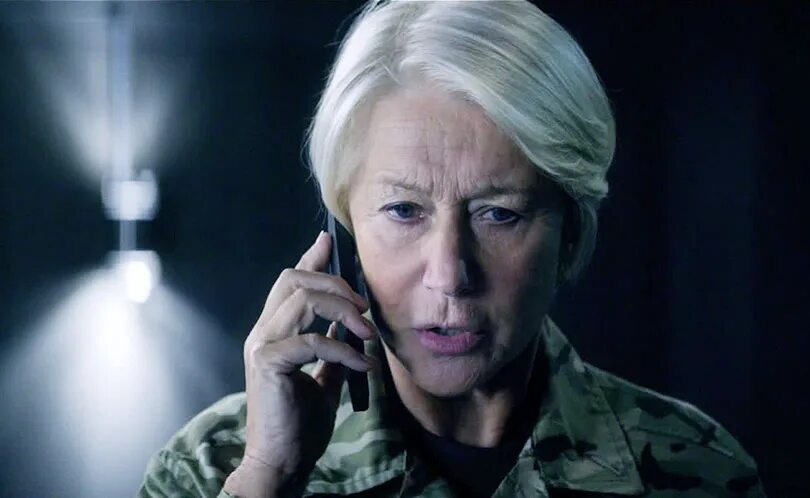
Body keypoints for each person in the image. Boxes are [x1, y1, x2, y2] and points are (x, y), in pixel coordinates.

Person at [138, 1, 765, 497]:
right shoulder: (210, 468)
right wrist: (268, 477)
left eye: (499, 214)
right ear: (345, 228)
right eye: (404, 211)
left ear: (570, 229)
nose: (449, 275)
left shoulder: (698, 471)